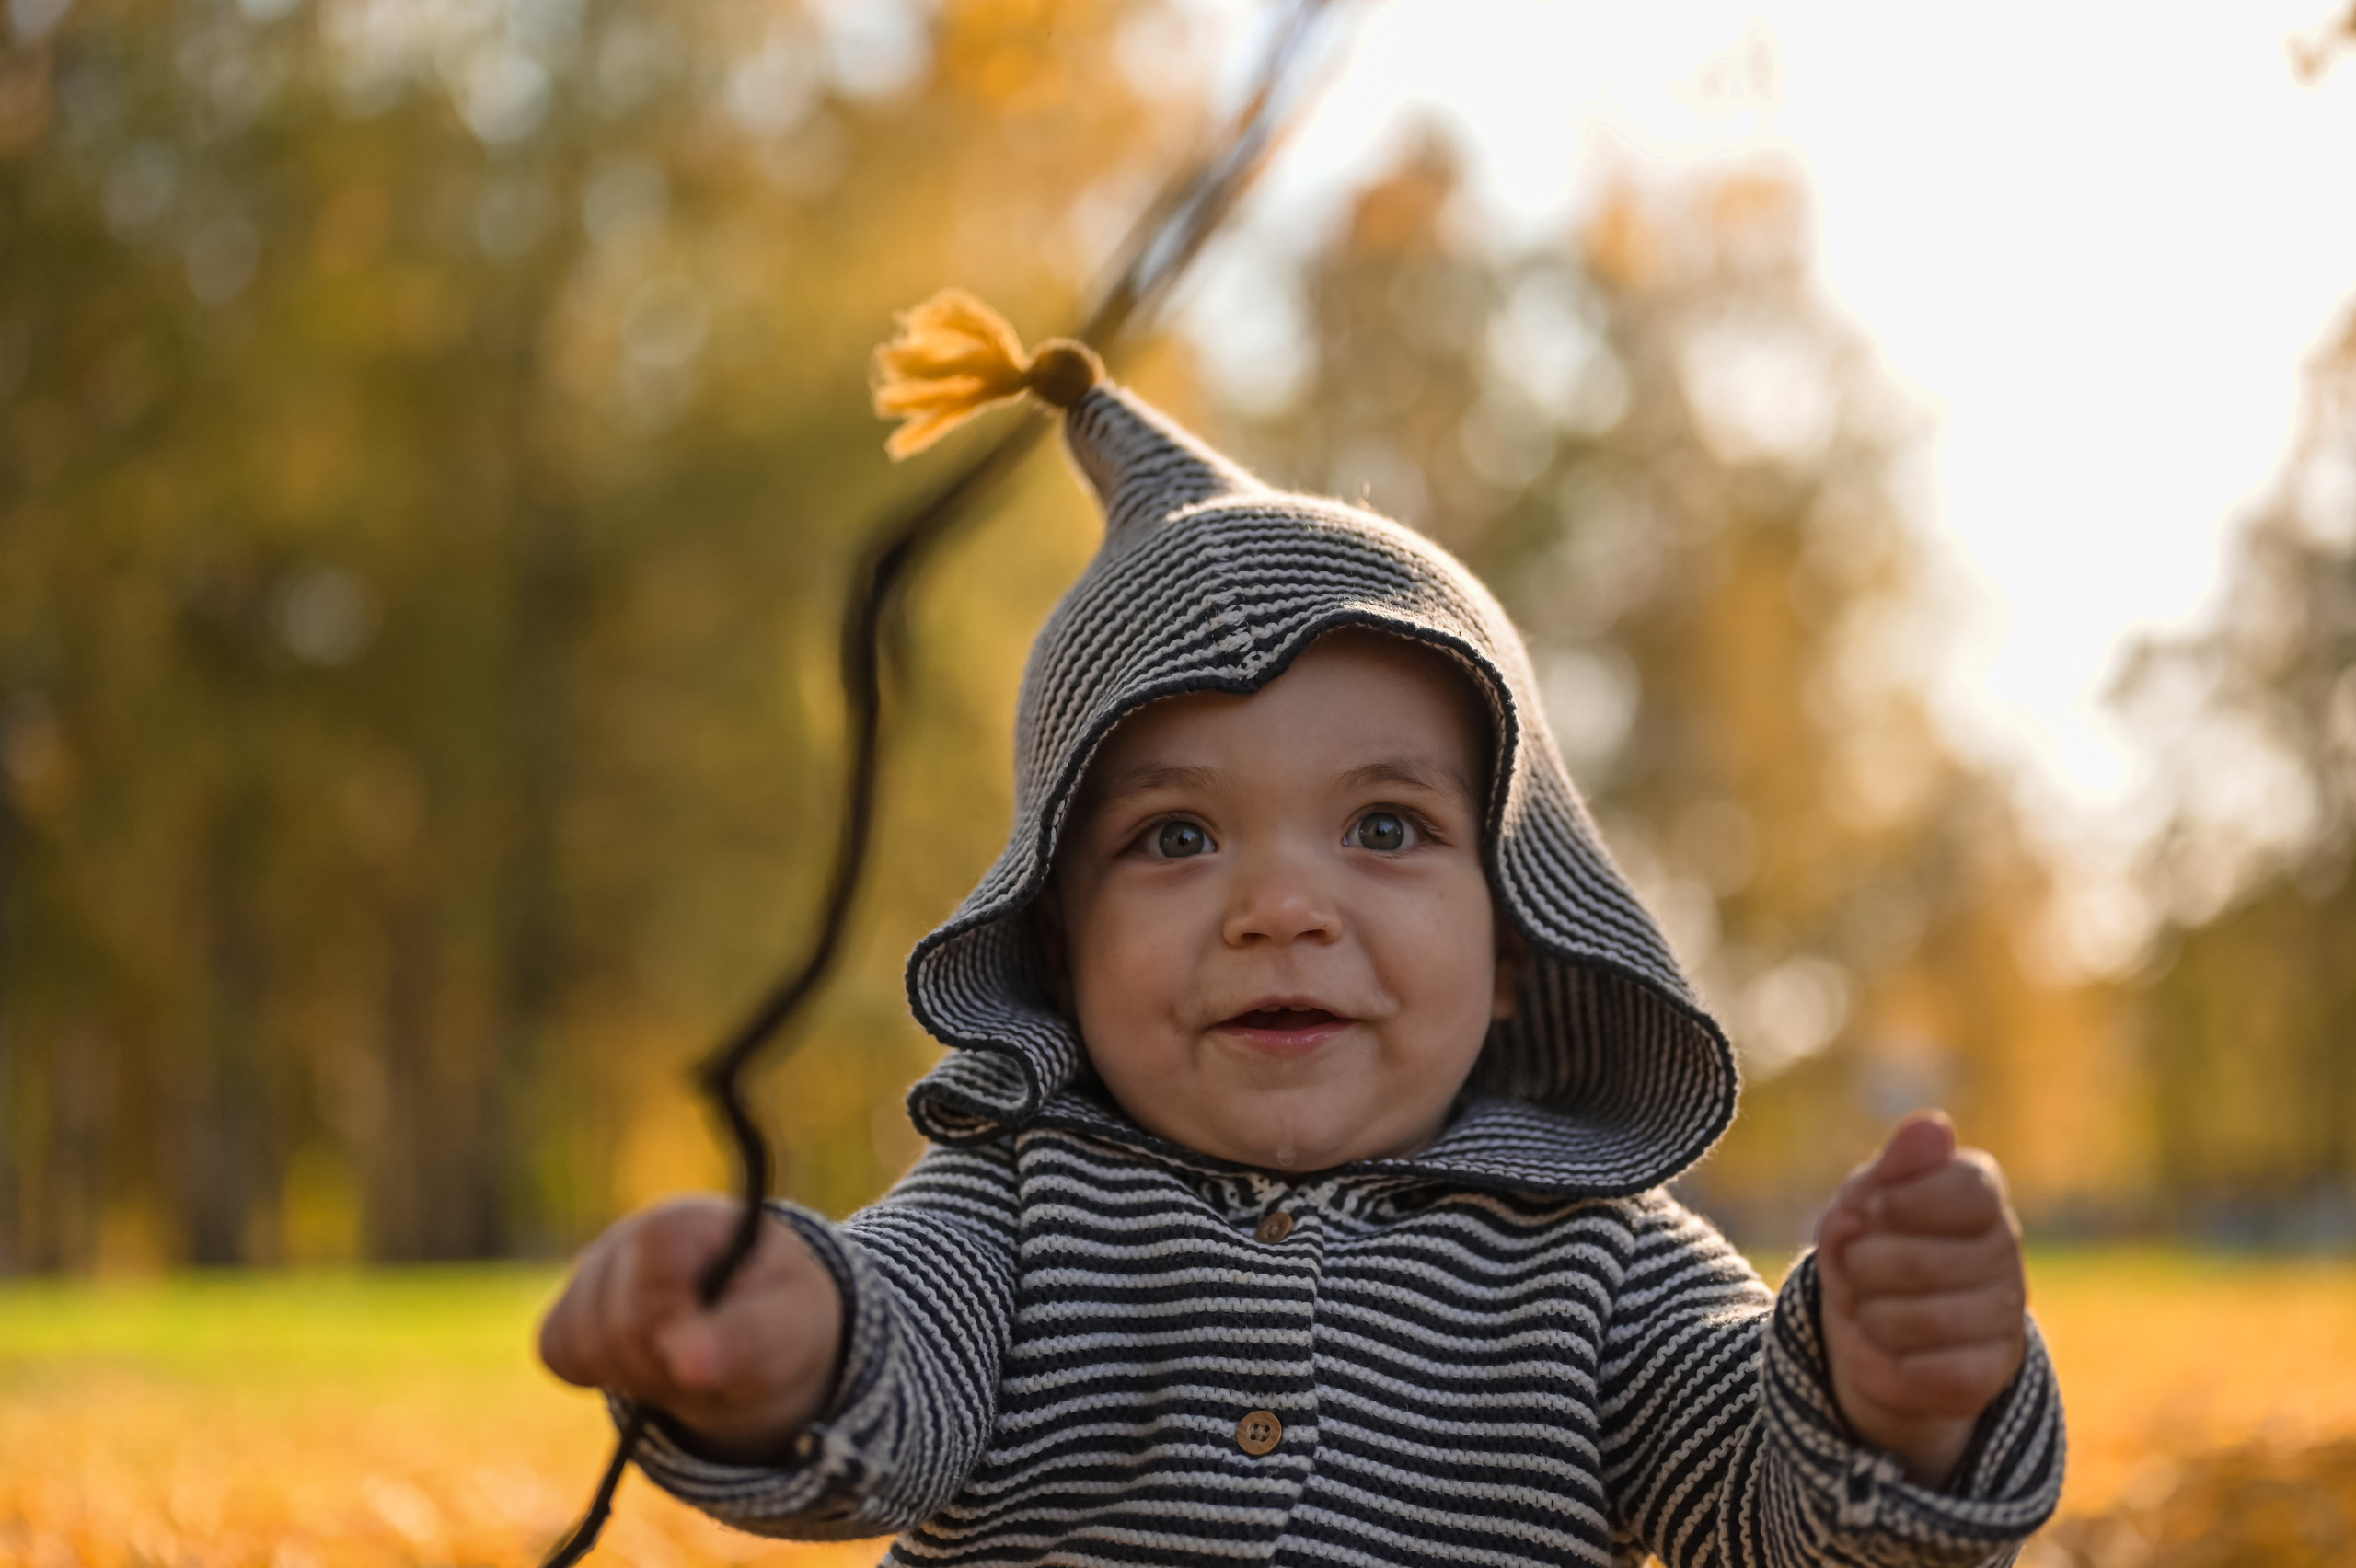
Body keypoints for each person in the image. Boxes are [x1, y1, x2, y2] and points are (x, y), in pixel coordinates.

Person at [538, 292, 2064, 1567]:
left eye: (1385, 828)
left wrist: (1895, 1400)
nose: (1279, 910)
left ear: (1521, 932)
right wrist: (784, 1342)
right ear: (1056, 939)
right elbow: (891, 1387)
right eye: (1175, 837)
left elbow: (1770, 1511)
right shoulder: (1014, 1209)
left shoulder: (1594, 1254)